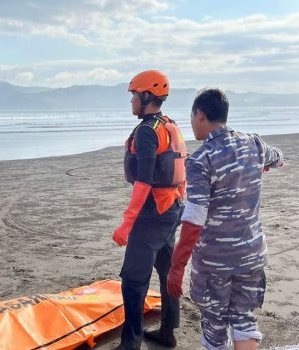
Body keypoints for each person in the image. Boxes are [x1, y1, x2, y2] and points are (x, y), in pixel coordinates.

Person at [167, 88, 285, 350]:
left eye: (191, 116)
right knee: (244, 319)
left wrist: (177, 267)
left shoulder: (200, 160)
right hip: (251, 254)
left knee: (215, 326)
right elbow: (277, 157)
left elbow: (195, 218)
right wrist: (266, 164)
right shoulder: (253, 143)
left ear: (200, 115)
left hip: (214, 262)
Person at [113, 70, 188, 349]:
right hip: (171, 210)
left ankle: (130, 344)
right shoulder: (169, 125)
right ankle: (168, 332)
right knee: (167, 271)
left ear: (146, 96)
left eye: (134, 95)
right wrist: (181, 203)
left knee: (133, 279)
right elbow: (181, 168)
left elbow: (143, 182)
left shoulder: (147, 132)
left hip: (152, 214)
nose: (131, 101)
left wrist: (126, 224)